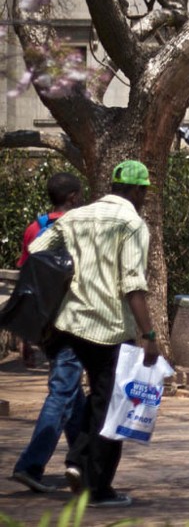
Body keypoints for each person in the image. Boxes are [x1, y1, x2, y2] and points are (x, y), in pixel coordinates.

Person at [28, 160, 159, 508]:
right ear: (137, 191)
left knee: (94, 401)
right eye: (144, 191)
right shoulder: (132, 224)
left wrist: (71, 276)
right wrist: (150, 334)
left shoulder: (76, 216)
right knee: (112, 407)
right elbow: (132, 284)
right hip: (109, 329)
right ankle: (98, 488)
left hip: (70, 325)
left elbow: (36, 251)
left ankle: (77, 463)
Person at [10, 173, 86, 494]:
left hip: (44, 322)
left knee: (72, 393)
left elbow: (26, 282)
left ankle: (82, 462)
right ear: (71, 198)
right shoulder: (80, 228)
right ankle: (31, 464)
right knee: (62, 391)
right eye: (79, 196)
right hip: (73, 320)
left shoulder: (33, 229)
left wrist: (26, 335)